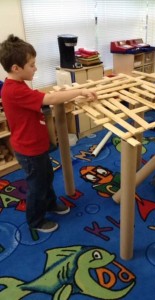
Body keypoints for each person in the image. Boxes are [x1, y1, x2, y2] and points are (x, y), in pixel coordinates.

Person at [0, 34, 97, 233]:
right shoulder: (13, 90)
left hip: (36, 144)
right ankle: (35, 221)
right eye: (32, 65)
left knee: (47, 177)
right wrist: (79, 92)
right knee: (37, 185)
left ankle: (50, 204)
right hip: (29, 149)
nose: (35, 68)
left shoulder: (17, 84)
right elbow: (50, 98)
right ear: (16, 68)